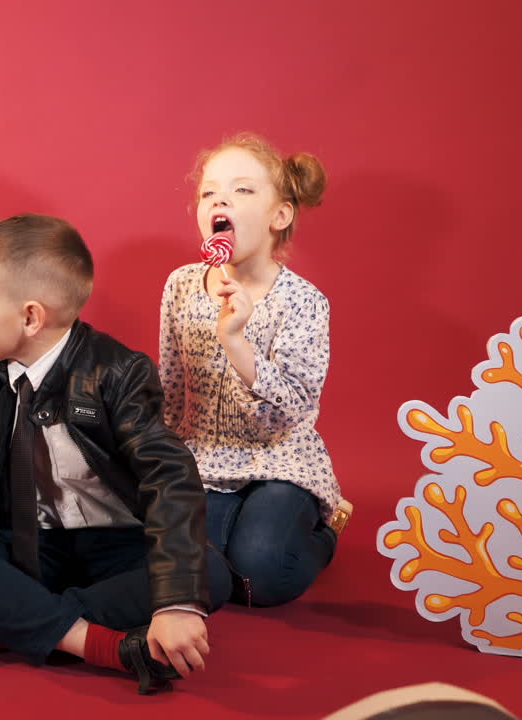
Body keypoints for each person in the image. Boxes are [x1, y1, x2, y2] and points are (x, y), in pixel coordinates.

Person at [0, 214, 230, 694]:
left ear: (30, 317)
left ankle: (4, 622)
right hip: (29, 545)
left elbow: (169, 477)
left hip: (113, 546)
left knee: (209, 573)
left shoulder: (118, 372)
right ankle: (100, 645)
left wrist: (173, 606)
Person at [158, 132, 351, 608]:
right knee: (173, 558)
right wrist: (155, 464)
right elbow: (171, 386)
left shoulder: (304, 302)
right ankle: (229, 535)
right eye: (209, 192)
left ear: (279, 216)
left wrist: (236, 341)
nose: (221, 198)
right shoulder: (181, 285)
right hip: (202, 457)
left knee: (263, 572)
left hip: (279, 460)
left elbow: (288, 415)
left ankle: (325, 530)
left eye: (243, 190)